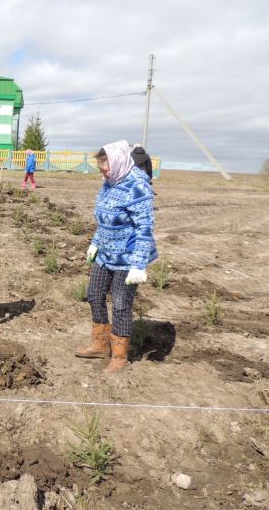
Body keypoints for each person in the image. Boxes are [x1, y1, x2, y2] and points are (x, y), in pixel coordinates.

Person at [76, 140, 157, 373]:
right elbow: (104, 219)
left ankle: (120, 356)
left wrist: (138, 264)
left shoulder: (137, 186)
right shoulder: (109, 183)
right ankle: (100, 345)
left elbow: (145, 228)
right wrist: (95, 243)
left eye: (105, 163)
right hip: (105, 254)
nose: (101, 168)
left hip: (127, 259)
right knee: (94, 294)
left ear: (119, 160)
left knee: (121, 304)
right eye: (100, 163)